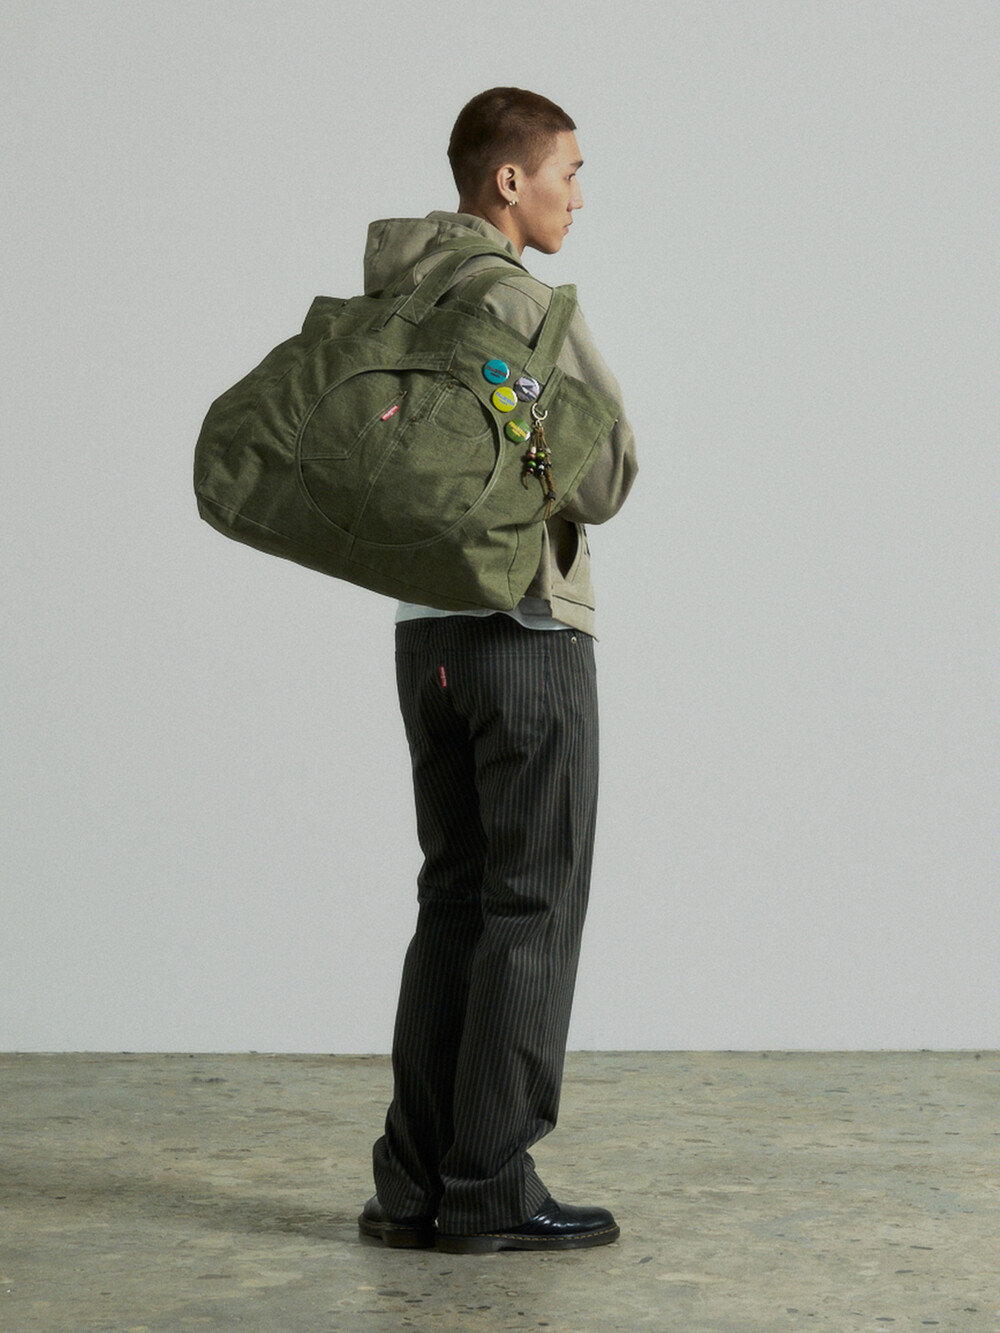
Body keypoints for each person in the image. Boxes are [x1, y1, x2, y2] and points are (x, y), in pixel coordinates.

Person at [358, 88, 637, 1254]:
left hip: (424, 636)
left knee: (454, 899)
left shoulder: (401, 293)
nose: (579, 195)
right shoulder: (516, 300)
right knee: (531, 902)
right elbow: (604, 471)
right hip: (522, 633)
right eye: (568, 171)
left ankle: (411, 1182)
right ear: (508, 181)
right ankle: (489, 1184)